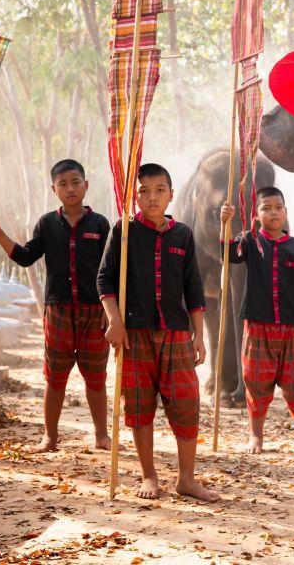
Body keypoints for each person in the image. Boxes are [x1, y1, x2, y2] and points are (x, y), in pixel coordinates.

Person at [97, 162, 219, 502]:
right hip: (134, 333)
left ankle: (187, 479)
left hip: (178, 334)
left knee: (186, 403)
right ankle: (148, 475)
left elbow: (194, 289)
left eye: (159, 191)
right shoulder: (123, 230)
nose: (152, 198)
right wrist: (115, 321)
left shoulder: (183, 235)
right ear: (134, 196)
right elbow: (105, 279)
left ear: (171, 195)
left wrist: (199, 335)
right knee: (138, 404)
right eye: (144, 192)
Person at [0, 159, 112, 454]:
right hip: (58, 311)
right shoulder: (47, 224)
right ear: (54, 189)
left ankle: (102, 435)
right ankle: (50, 437)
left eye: (75, 182)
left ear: (86, 185)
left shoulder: (100, 224)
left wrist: (110, 310)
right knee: (55, 378)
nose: (70, 188)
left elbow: (111, 269)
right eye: (63, 184)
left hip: (95, 312)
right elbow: (26, 257)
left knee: (96, 376)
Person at [219, 187, 294, 455]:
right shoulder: (249, 241)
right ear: (256, 215)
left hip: (293, 326)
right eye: (266, 208)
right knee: (256, 382)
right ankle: (256, 436)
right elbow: (228, 256)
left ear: (286, 212)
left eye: (278, 207)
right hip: (258, 325)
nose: (273, 213)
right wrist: (225, 224)